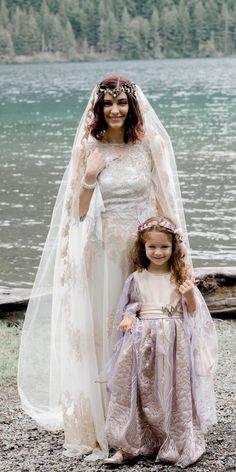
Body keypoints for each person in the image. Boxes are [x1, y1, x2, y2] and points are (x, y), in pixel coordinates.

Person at [18, 76, 191, 461]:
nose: (115, 110)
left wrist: (176, 260)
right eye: (107, 104)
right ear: (98, 110)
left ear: (132, 108)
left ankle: (149, 423)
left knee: (148, 335)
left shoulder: (150, 145)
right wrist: (90, 176)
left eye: (121, 104)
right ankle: (109, 426)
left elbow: (166, 203)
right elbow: (77, 213)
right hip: (103, 256)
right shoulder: (88, 147)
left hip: (142, 255)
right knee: (108, 337)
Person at [104, 216, 217, 468]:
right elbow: (132, 304)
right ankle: (130, 444)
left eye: (164, 247)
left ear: (174, 248)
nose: (158, 252)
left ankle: (172, 439)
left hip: (173, 340)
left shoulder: (180, 277)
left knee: (171, 386)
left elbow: (193, 312)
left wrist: (189, 295)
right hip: (143, 339)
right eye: (152, 246)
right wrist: (127, 317)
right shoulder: (137, 277)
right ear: (143, 248)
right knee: (138, 388)